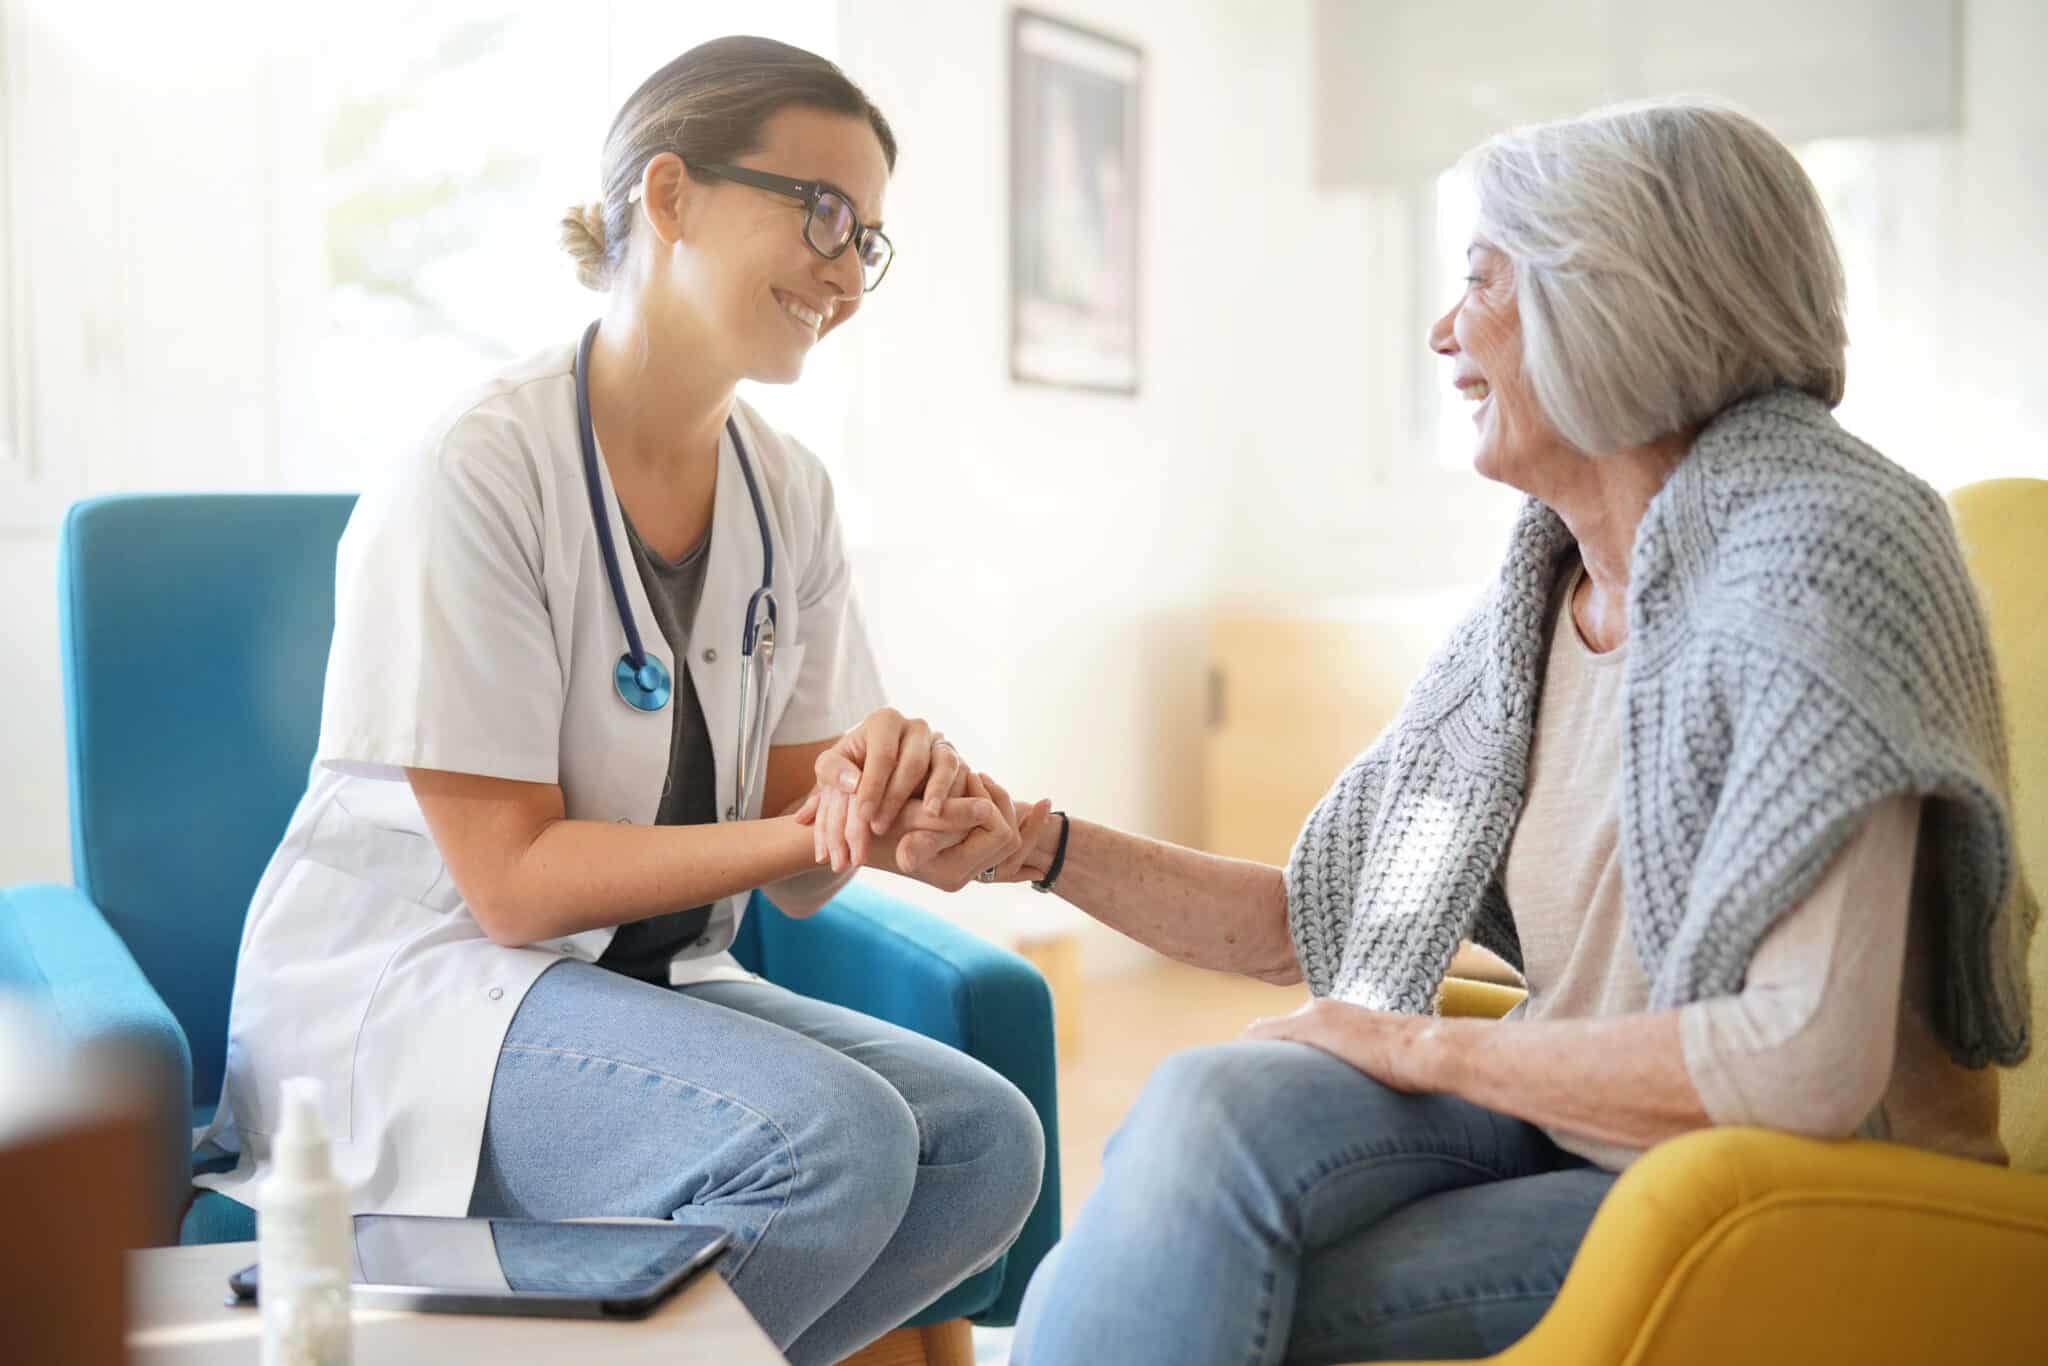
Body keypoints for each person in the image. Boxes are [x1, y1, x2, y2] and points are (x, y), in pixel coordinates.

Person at [984, 99, 2037, 1365]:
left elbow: (1800, 1066)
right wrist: (1029, 844)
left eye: (1480, 277)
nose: (1442, 330)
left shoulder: (1822, 560)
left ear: (1615, 298)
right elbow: (1328, 923)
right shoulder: (1537, 600)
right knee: (1203, 1106)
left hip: (1798, 1186)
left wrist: (1424, 1049)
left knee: (1166, 1261)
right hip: (1574, 1124)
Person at [197, 37, 1044, 1366]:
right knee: (837, 1143)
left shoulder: (790, 493)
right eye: (823, 212)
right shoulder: (476, 471)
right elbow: (516, 886)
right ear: (669, 197)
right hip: (432, 997)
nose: (845, 267)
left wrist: (893, 813)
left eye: (868, 238)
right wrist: (809, 835)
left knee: (989, 1145)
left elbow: (807, 849)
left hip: (646, 988)